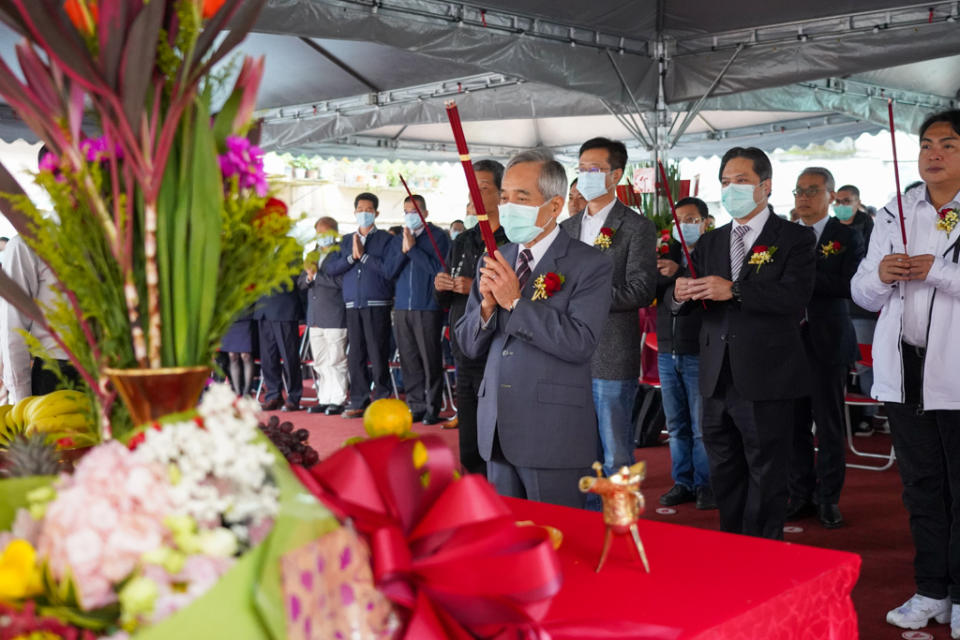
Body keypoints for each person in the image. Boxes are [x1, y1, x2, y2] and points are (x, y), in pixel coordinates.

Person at [851, 109, 960, 637]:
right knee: (920, 487)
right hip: (903, 369)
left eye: (949, 144)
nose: (933, 153)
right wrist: (880, 275)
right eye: (927, 143)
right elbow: (862, 291)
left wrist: (935, 270)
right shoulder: (898, 207)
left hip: (956, 372)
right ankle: (931, 589)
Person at [671, 146, 816, 539]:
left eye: (741, 181)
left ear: (765, 186)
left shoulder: (794, 238)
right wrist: (679, 292)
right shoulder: (711, 241)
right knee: (724, 467)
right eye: (724, 182)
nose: (730, 189)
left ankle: (763, 549)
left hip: (767, 374)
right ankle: (731, 544)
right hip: (716, 373)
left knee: (767, 469)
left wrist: (734, 291)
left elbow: (794, 297)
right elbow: (693, 294)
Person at [456, 148, 613, 508]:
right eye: (506, 196)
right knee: (507, 542)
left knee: (557, 538)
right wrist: (486, 307)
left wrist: (515, 303)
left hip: (551, 429)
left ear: (555, 207)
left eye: (522, 198)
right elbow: (467, 343)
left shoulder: (589, 264)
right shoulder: (493, 258)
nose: (509, 206)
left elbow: (579, 342)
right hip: (495, 426)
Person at [560, 137, 656, 490]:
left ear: (615, 175)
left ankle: (620, 527)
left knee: (615, 451)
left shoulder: (635, 227)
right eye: (581, 169)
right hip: (569, 353)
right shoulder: (566, 229)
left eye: (594, 169)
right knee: (579, 450)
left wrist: (585, 298)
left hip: (612, 352)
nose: (586, 176)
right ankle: (586, 524)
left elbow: (640, 290)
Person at [786, 167, 865, 529]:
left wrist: (804, 275)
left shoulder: (847, 235)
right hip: (787, 343)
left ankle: (828, 498)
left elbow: (851, 284)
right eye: (799, 191)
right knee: (793, 425)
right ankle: (799, 493)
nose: (803, 197)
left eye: (812, 191)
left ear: (831, 196)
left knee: (829, 427)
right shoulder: (782, 236)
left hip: (828, 341)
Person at [435, 160, 509, 474]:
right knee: (468, 424)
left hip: (499, 346)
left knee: (499, 426)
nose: (476, 196)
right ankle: (473, 481)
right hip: (464, 343)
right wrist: (443, 286)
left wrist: (472, 291)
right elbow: (446, 298)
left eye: (484, 188)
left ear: (500, 193)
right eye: (471, 189)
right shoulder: (462, 240)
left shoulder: (511, 239)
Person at [655, 197, 714, 510]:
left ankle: (707, 484)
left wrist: (682, 270)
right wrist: (664, 271)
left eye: (691, 219)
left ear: (705, 221)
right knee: (676, 424)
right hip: (667, 350)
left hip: (698, 350)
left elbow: (709, 288)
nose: (685, 226)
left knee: (701, 425)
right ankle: (683, 481)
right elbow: (651, 292)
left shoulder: (711, 251)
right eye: (679, 220)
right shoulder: (667, 252)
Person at [325, 193, 397, 418]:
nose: (364, 213)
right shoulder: (346, 240)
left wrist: (364, 257)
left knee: (377, 352)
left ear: (376, 213)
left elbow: (388, 270)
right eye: (360, 209)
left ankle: (382, 399)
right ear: (355, 212)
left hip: (377, 303)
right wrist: (352, 258)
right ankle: (358, 400)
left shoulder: (386, 239)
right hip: (352, 304)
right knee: (355, 353)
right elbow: (331, 268)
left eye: (369, 209)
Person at [391, 195, 450, 424]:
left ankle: (432, 407)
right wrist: (404, 250)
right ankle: (415, 405)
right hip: (402, 307)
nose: (410, 215)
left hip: (427, 307)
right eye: (406, 211)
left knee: (430, 358)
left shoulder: (438, 237)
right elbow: (389, 271)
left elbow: (440, 269)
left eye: (414, 211)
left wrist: (414, 250)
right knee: (409, 359)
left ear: (425, 213)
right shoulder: (400, 238)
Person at [835, 183, 882, 435]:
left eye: (847, 201)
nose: (841, 206)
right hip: (837, 307)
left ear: (858, 201)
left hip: (862, 309)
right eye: (838, 201)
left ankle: (869, 415)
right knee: (844, 365)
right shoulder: (831, 229)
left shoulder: (872, 230)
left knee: (866, 364)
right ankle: (850, 417)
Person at [298, 216, 348, 415]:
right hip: (314, 317)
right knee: (319, 361)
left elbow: (342, 282)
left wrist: (318, 277)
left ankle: (338, 399)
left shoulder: (341, 253)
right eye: (319, 233)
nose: (322, 237)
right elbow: (301, 283)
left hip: (334, 315)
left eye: (326, 233)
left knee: (336, 359)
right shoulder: (311, 254)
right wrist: (309, 278)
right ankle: (324, 398)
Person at [254, 270, 304, 412]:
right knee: (268, 358)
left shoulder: (291, 250)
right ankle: (273, 395)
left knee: (289, 357)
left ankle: (294, 397)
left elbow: (295, 277)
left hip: (284, 309)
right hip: (263, 310)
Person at [221, 310, 255, 397]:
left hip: (246, 317)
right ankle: (237, 391)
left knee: (246, 355)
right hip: (230, 318)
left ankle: (247, 391)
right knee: (232, 355)